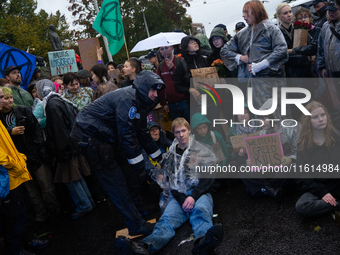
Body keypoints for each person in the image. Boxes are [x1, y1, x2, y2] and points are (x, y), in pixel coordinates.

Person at [71, 70, 165, 236]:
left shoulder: (140, 101)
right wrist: (140, 167)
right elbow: (126, 136)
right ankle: (136, 224)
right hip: (94, 140)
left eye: (157, 91)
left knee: (129, 176)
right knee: (117, 184)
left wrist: (162, 159)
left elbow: (142, 133)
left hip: (104, 138)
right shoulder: (127, 100)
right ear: (143, 87)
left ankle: (138, 211)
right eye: (153, 90)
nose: (155, 94)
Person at [115, 118, 223, 255]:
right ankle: (145, 247)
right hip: (178, 196)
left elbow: (208, 178)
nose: (181, 135)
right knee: (166, 220)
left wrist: (193, 196)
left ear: (189, 131)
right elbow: (170, 181)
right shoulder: (170, 156)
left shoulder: (201, 149)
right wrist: (182, 199)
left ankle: (203, 243)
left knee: (201, 211)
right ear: (174, 134)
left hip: (199, 192)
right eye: (177, 132)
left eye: (184, 130)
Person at [36, 79, 95, 220]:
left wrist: (62, 151)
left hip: (65, 148)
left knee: (71, 179)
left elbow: (58, 130)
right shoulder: (59, 100)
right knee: (76, 176)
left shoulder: (51, 104)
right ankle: (88, 202)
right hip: (72, 144)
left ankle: (84, 205)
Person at [0, 87, 60, 225]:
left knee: (47, 187)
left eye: (10, 98)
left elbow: (36, 132)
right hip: (18, 162)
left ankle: (54, 213)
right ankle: (41, 217)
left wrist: (41, 155)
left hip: (34, 157)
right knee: (31, 193)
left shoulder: (22, 110)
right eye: (5, 98)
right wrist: (10, 132)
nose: (9, 101)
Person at [0, 87, 49, 255]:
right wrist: (16, 164)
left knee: (26, 207)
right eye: (1, 97)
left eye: (6, 97)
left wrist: (23, 158)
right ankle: (18, 249)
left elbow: (11, 146)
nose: (5, 100)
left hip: (20, 168)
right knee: (15, 214)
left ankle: (29, 239)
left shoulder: (19, 112)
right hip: (9, 175)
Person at [220, 0, 289, 117]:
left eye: (247, 12)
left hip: (273, 83)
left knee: (279, 116)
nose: (243, 16)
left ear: (256, 12)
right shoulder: (243, 34)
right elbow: (224, 50)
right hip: (254, 86)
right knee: (262, 117)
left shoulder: (271, 29)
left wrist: (262, 64)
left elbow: (282, 49)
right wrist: (239, 57)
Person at [241, 99, 300, 198]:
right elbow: (259, 156)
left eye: (264, 119)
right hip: (270, 168)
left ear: (275, 117)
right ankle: (271, 189)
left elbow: (300, 151)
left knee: (291, 169)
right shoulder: (262, 133)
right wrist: (251, 162)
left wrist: (291, 159)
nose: (261, 122)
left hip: (285, 167)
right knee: (243, 169)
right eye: (259, 119)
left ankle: (261, 187)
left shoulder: (292, 127)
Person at [295, 101, 340, 217]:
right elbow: (303, 176)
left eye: (323, 115)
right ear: (308, 121)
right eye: (315, 117)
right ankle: (336, 204)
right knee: (302, 206)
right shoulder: (303, 146)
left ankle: (331, 204)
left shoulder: (337, 137)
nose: (321, 119)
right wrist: (323, 192)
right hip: (320, 187)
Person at [156, 45, 188, 121]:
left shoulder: (180, 61)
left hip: (184, 100)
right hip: (171, 103)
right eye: (161, 49)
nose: (164, 51)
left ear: (172, 47)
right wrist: (164, 103)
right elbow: (160, 85)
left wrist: (173, 68)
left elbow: (184, 79)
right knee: (177, 127)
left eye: (166, 48)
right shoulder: (160, 66)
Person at [317, 2, 340, 78]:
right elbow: (320, 47)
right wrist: (322, 66)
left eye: (334, 10)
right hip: (330, 70)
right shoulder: (325, 26)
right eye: (329, 10)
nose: (331, 13)